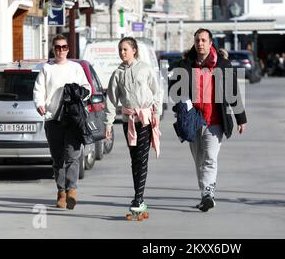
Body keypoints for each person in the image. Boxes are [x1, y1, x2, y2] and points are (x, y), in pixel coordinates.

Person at [171, 28, 247, 212]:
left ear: (211, 43)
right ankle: (205, 193)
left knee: (210, 158)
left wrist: (240, 118)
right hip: (193, 121)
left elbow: (233, 92)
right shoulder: (185, 64)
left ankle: (208, 194)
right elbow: (173, 90)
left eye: (204, 40)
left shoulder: (222, 65)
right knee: (199, 160)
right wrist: (182, 99)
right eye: (197, 40)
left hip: (215, 121)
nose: (200, 43)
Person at [104, 37, 161, 215]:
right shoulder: (117, 74)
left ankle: (138, 198)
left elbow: (156, 91)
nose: (122, 53)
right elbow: (111, 101)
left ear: (134, 50)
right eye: (120, 49)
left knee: (142, 159)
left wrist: (157, 113)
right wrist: (108, 124)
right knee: (134, 159)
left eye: (125, 49)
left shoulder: (145, 69)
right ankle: (139, 198)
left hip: (144, 118)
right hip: (128, 121)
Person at [33, 34, 91, 210]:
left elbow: (87, 89)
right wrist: (40, 104)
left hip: (72, 119)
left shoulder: (76, 68)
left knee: (72, 156)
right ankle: (61, 193)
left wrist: (78, 92)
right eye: (57, 47)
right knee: (58, 159)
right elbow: (38, 89)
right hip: (53, 119)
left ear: (68, 49)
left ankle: (72, 190)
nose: (61, 50)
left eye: (64, 47)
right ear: (53, 49)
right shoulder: (46, 69)